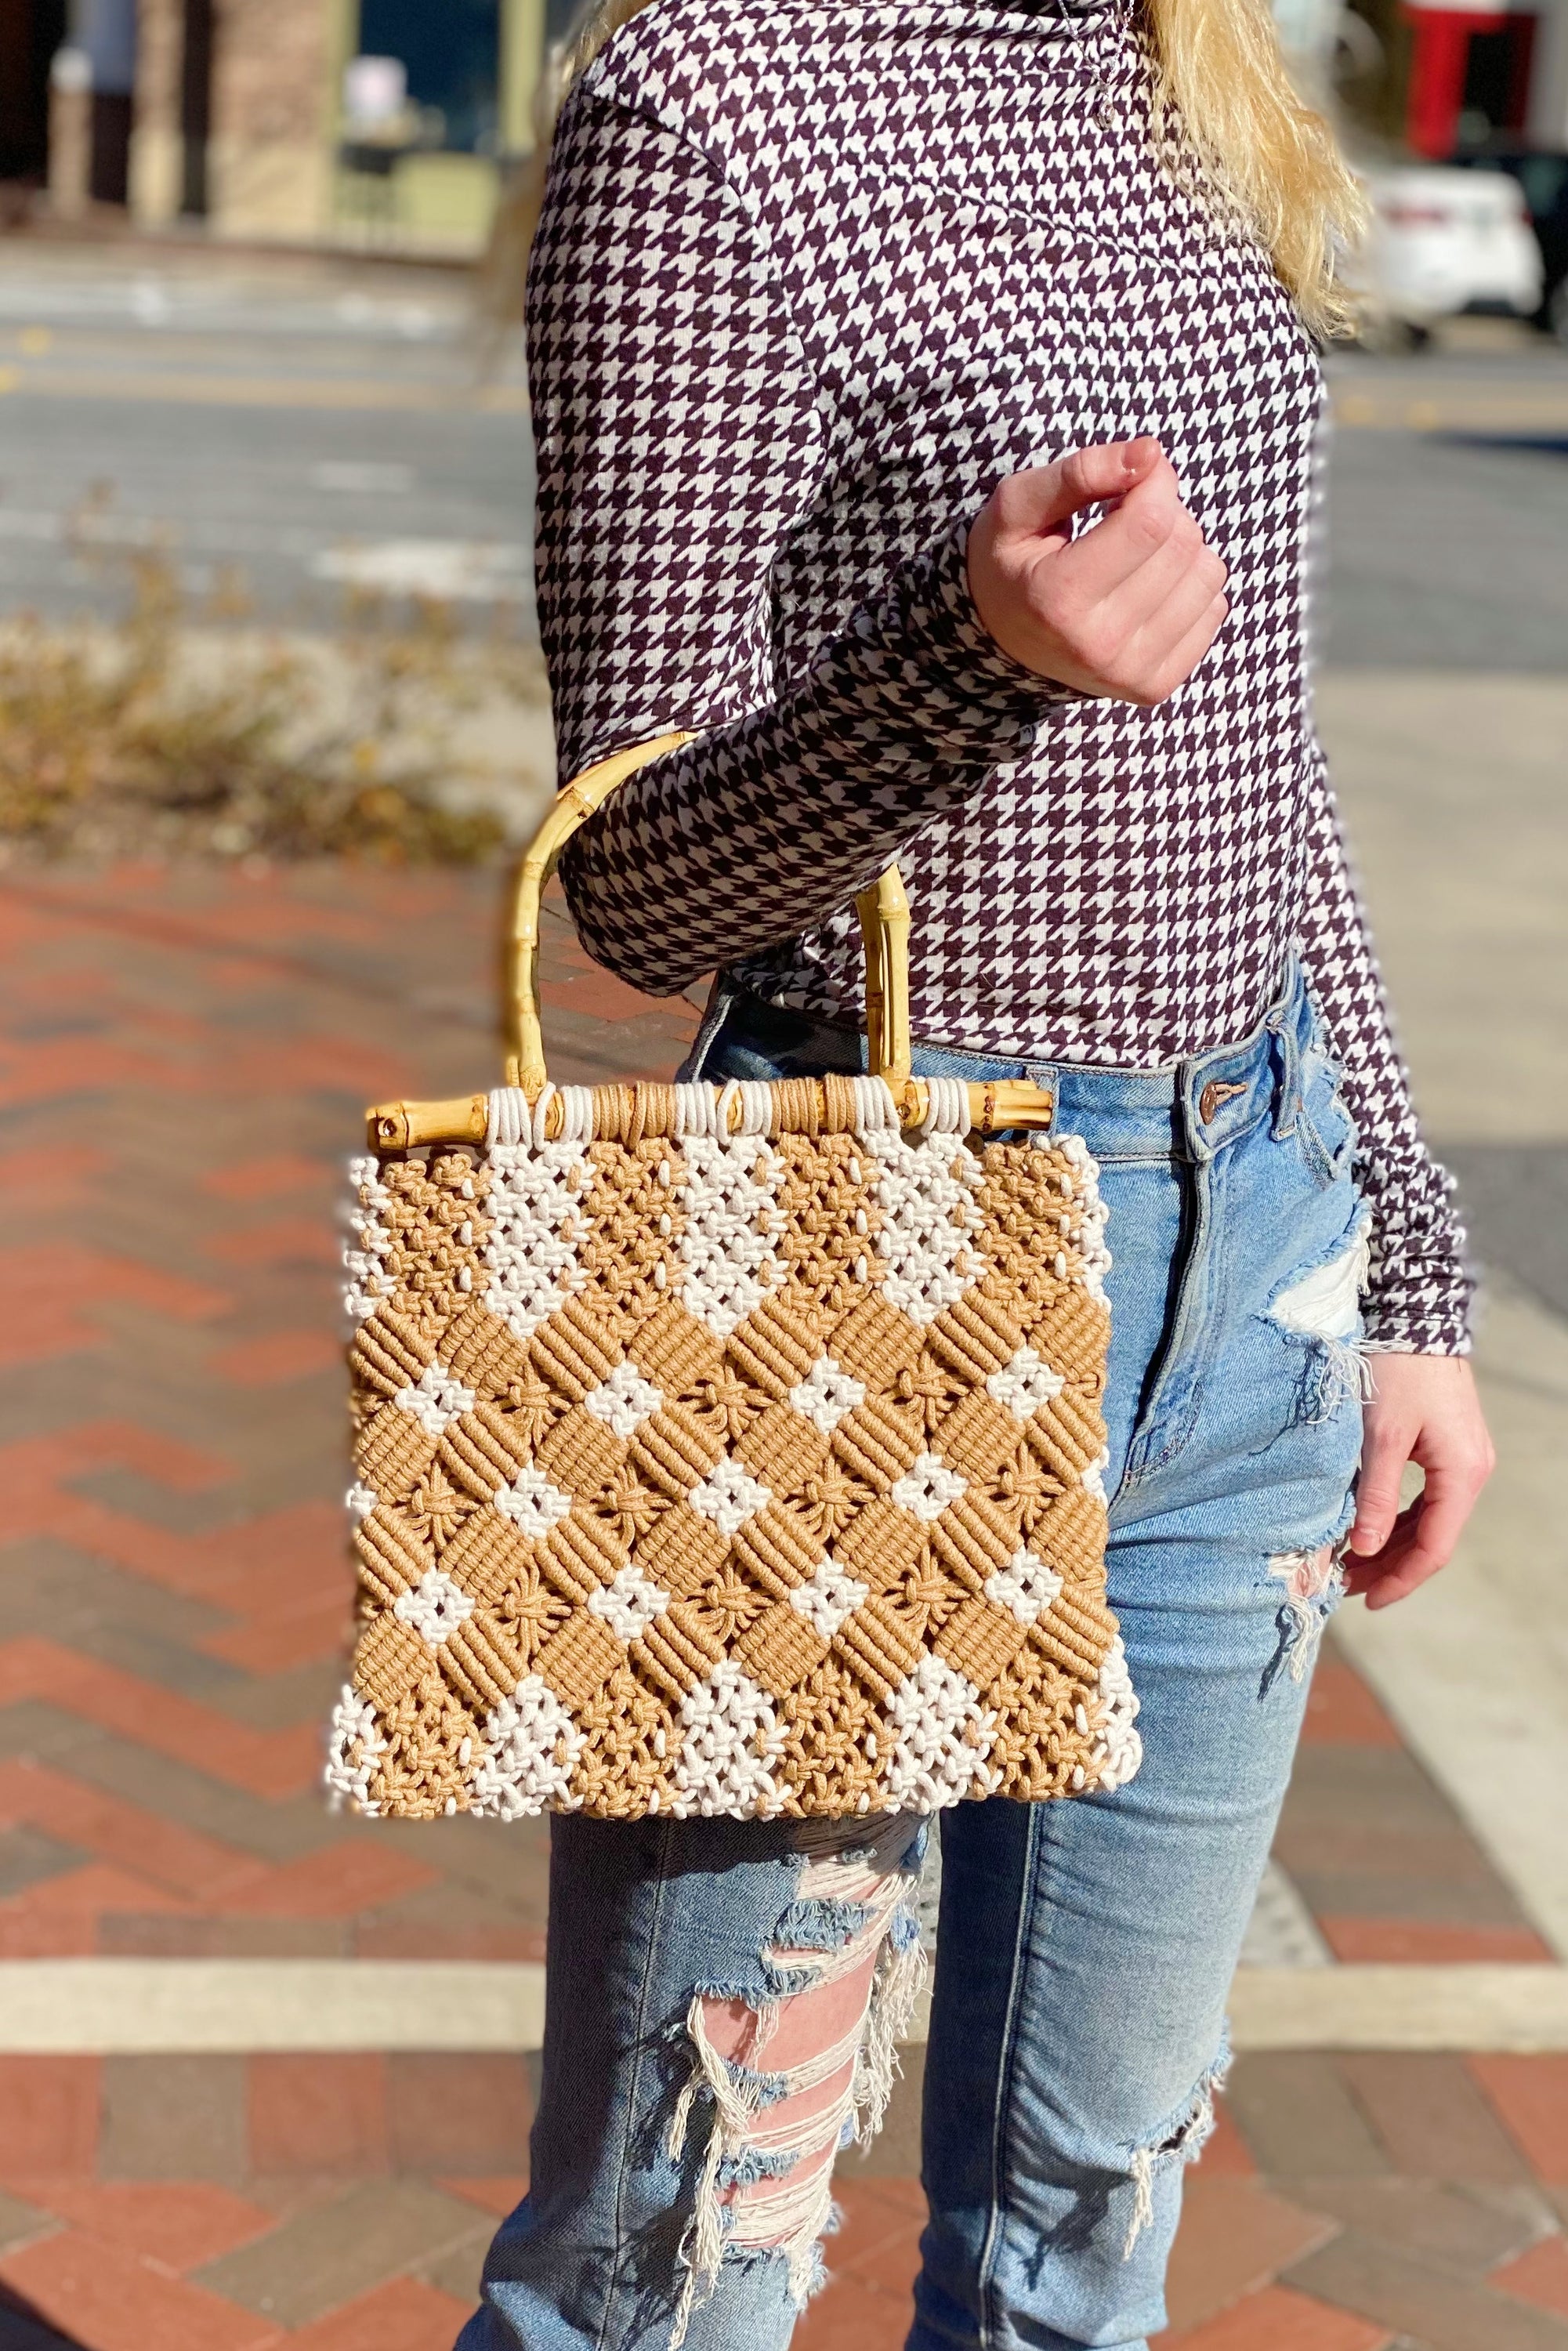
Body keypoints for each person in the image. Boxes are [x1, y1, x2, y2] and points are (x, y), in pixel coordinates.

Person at [458, 0, 1495, 2340]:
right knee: (670, 2266)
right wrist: (966, 659)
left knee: (1080, 2245)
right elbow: (629, 890)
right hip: (863, 1248)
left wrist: (1404, 1275)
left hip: (1253, 1239)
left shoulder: (1170, 70)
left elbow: (1264, 757)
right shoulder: (711, 111)